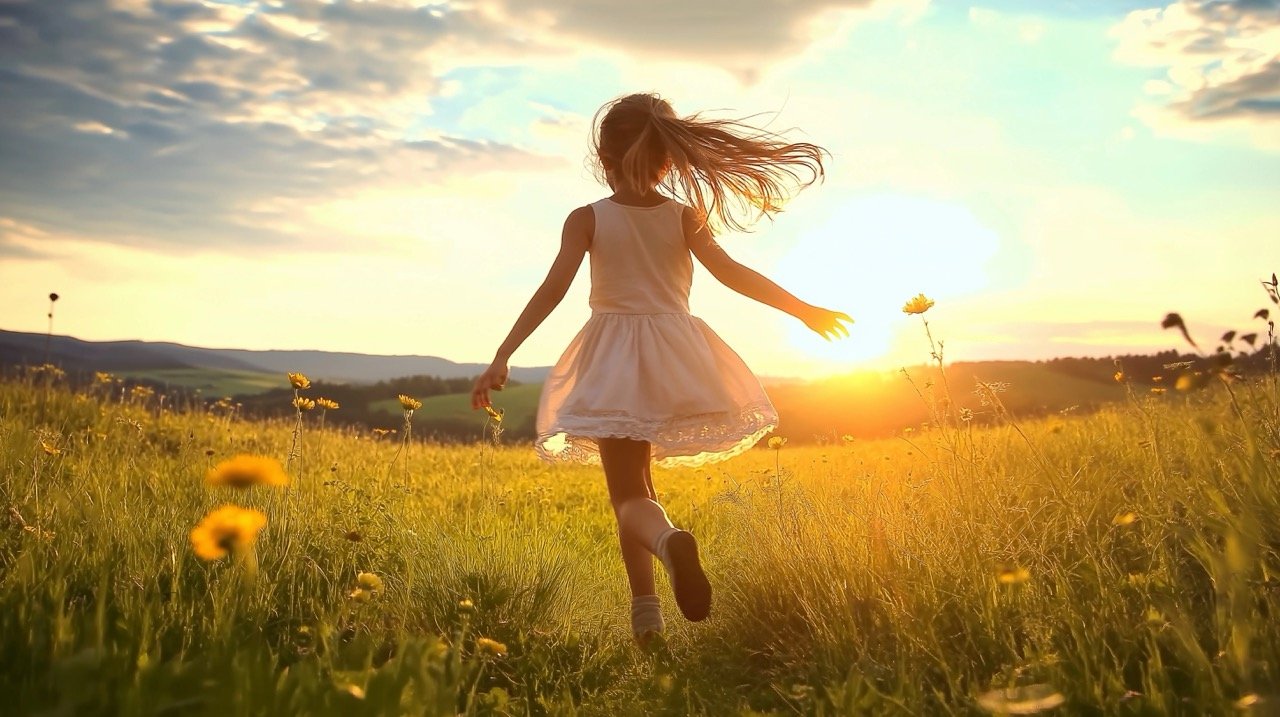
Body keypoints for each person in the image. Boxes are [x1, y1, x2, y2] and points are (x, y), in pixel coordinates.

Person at [471, 93, 851, 644]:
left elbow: (554, 288)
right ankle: (647, 622)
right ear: (668, 160)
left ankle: (671, 546)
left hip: (613, 358)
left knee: (628, 497)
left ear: (604, 158)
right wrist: (804, 310)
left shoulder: (586, 218)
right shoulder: (684, 216)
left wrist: (503, 353)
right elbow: (731, 273)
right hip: (678, 354)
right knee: (638, 489)